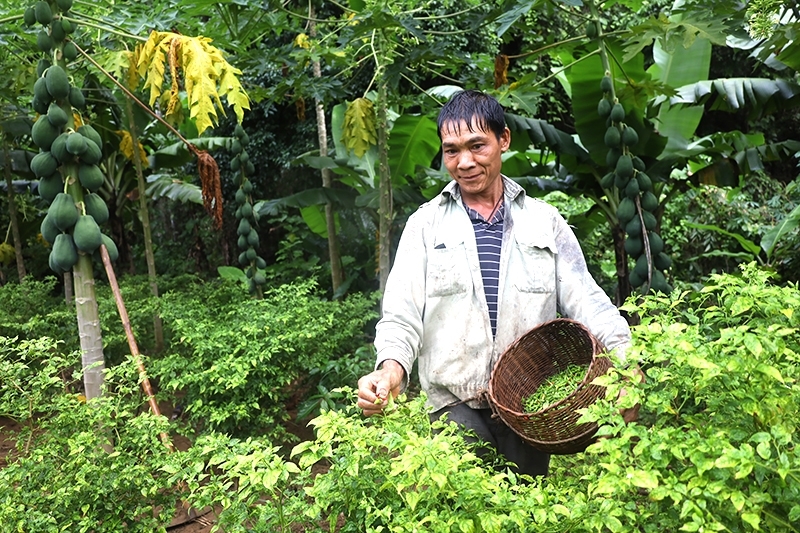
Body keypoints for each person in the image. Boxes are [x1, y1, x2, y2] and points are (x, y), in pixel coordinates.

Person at [356, 90, 632, 477]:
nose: (464, 162)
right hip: (453, 406)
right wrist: (388, 372)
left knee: (527, 511)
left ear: (503, 140)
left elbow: (587, 301)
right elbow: (402, 316)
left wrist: (626, 363)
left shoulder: (544, 222)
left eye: (477, 146)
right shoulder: (425, 225)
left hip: (530, 407)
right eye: (451, 151)